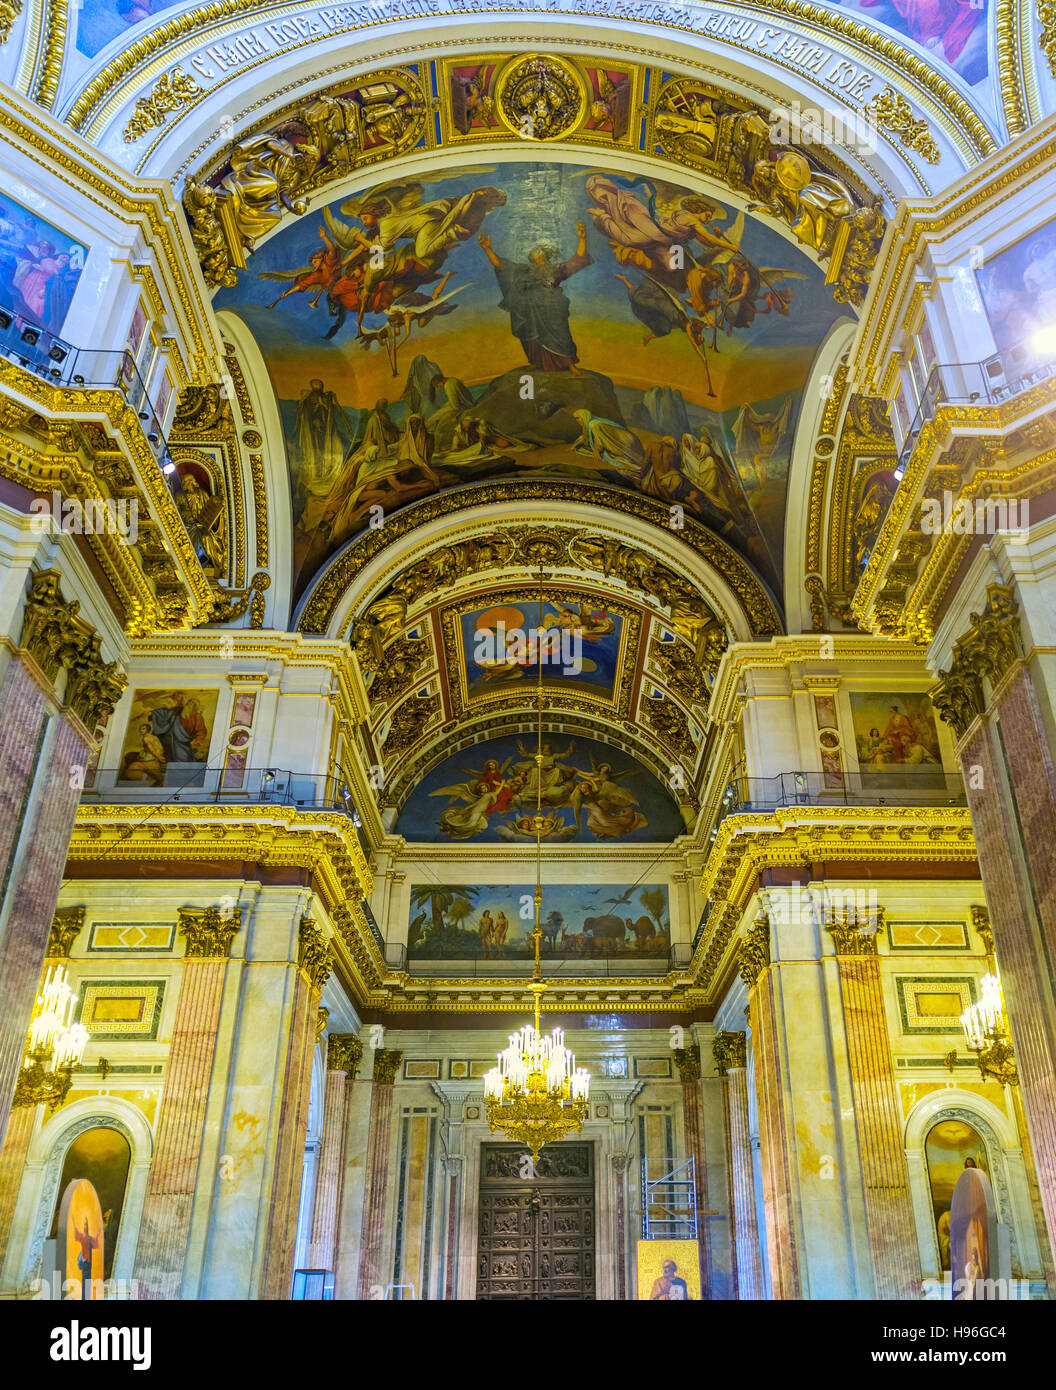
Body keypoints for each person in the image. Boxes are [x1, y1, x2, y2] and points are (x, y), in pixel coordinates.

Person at [478, 222, 593, 373]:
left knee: (562, 334)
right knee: (530, 335)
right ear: (533, 259)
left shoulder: (556, 270)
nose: (540, 259)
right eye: (536, 256)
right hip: (531, 310)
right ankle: (536, 362)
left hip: (553, 310)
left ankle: (570, 364)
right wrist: (487, 249)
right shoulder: (524, 271)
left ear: (546, 257)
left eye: (542, 256)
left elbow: (577, 260)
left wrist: (582, 238)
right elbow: (502, 266)